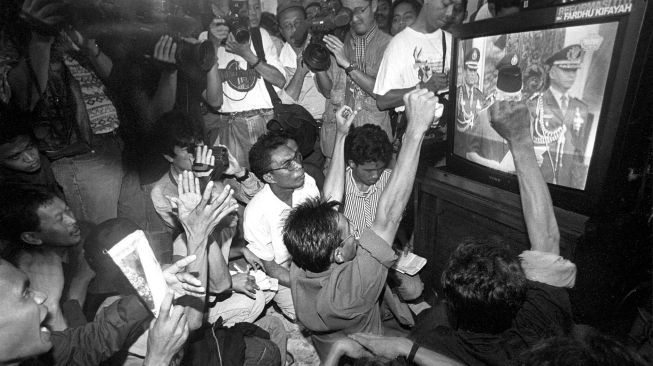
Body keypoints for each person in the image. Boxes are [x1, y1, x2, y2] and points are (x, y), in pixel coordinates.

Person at [346, 99, 578, 366]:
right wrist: (521, 140)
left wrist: (412, 325)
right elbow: (548, 239)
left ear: (451, 309)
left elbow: (387, 220)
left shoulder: (430, 343)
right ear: (517, 294)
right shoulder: (541, 319)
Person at [282, 89, 442, 360]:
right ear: (339, 253)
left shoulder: (302, 261)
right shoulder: (349, 293)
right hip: (363, 357)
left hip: (327, 346)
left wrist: (342, 135)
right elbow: (389, 216)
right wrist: (415, 131)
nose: (355, 238)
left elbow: (330, 200)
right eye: (349, 238)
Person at [0, 0, 130, 224]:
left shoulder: (71, 31)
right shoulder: (20, 36)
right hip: (82, 156)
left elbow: (119, 84)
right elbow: (22, 98)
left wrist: (90, 49)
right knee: (101, 236)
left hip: (114, 145)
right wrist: (41, 36)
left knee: (124, 230)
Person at [243, 133, 321, 320]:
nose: (299, 167)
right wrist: (310, 283)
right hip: (284, 274)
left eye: (296, 158)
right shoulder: (256, 213)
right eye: (288, 165)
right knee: (311, 315)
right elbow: (271, 267)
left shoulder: (307, 184)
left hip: (313, 260)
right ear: (269, 176)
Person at [203, 0, 287, 168]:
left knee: (273, 177)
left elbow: (280, 80)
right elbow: (214, 101)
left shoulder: (259, 35)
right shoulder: (204, 41)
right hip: (231, 125)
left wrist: (247, 54)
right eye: (233, 4)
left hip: (266, 121)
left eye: (255, 6)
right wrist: (212, 45)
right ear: (215, 8)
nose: (247, 11)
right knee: (237, 184)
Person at [0, 187, 95, 331]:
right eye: (59, 219)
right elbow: (69, 343)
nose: (72, 220)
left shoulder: (84, 232)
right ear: (32, 237)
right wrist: (80, 282)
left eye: (67, 210)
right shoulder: (25, 280)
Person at [150, 110, 261, 231]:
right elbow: (194, 234)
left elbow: (261, 200)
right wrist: (204, 183)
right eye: (188, 148)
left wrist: (240, 173)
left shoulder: (216, 166)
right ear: (169, 156)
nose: (196, 151)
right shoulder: (163, 192)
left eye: (198, 143)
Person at [316, 0, 393, 167]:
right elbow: (327, 91)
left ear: (374, 6)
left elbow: (383, 94)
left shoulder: (390, 45)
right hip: (337, 147)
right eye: (349, 13)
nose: (355, 18)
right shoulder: (336, 40)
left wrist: (348, 64)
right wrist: (318, 63)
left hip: (373, 152)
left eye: (360, 10)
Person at [374, 0, 460, 140]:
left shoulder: (451, 41)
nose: (401, 22)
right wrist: (423, 87)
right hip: (411, 131)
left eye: (407, 17)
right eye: (396, 19)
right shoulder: (397, 45)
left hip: (448, 130)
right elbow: (382, 101)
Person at [528, 44, 592, 189]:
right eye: (566, 70)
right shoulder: (535, 103)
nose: (572, 75)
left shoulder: (581, 108)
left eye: (574, 70)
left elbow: (578, 154)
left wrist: (577, 187)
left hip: (566, 183)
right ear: (551, 72)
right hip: (539, 181)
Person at [0, 114, 63, 197]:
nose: (30, 158)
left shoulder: (46, 158)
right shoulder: (6, 192)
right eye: (15, 156)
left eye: (30, 146)